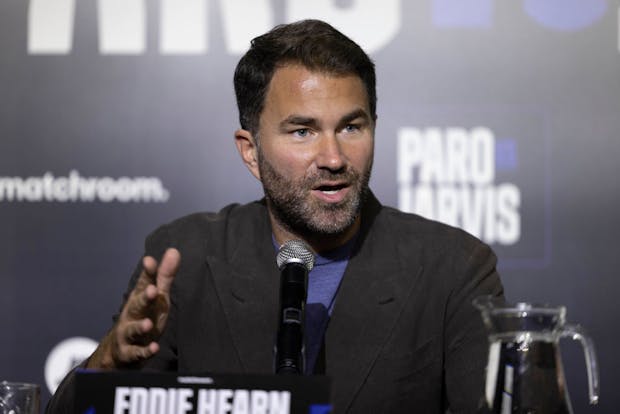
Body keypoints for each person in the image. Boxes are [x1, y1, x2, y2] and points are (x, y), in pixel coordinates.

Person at [47, 19, 503, 413]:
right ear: (251, 151)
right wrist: (109, 362)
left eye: (351, 126)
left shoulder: (454, 268)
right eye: (302, 131)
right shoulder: (187, 259)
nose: (333, 157)